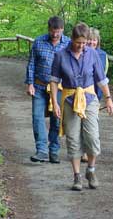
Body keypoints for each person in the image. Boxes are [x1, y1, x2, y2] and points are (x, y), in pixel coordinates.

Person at [50, 22, 113, 191]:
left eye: (84, 43)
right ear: (72, 39)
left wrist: (108, 98)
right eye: (78, 42)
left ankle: (91, 170)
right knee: (72, 138)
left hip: (89, 98)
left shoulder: (92, 54)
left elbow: (101, 79)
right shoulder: (60, 55)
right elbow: (54, 81)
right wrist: (55, 103)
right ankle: (77, 176)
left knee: (92, 136)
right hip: (69, 99)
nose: (81, 46)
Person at [25, 16, 70, 163]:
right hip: (39, 86)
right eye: (53, 31)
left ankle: (54, 150)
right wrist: (30, 83)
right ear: (48, 29)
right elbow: (31, 63)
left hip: (59, 88)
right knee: (37, 117)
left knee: (56, 119)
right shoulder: (39, 42)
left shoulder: (68, 43)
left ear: (62, 29)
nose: (55, 34)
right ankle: (41, 150)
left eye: (58, 31)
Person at [79, 27, 109, 163]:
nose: (92, 42)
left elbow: (103, 76)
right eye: (89, 39)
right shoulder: (81, 52)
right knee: (80, 121)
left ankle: (88, 150)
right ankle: (83, 151)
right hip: (81, 93)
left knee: (91, 123)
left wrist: (106, 95)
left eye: (94, 40)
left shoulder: (103, 55)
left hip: (96, 94)